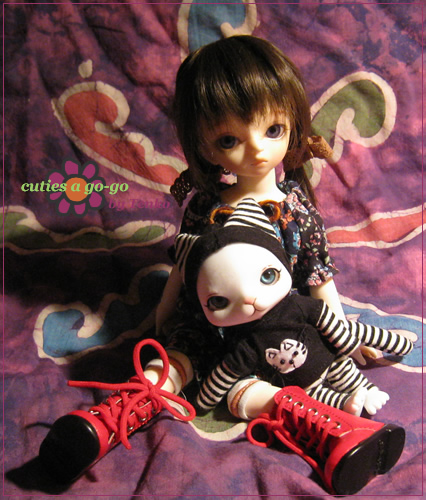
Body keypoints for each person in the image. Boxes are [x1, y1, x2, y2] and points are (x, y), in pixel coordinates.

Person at [40, 36, 396, 495]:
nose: (256, 150)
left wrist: (342, 335)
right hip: (212, 321)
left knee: (268, 379)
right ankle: (118, 414)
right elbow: (185, 266)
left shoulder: (295, 211)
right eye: (230, 140)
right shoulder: (205, 207)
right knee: (180, 362)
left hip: (277, 326)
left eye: (273, 130)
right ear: (204, 146)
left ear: (293, 122)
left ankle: (323, 424)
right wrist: (163, 314)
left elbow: (318, 277)